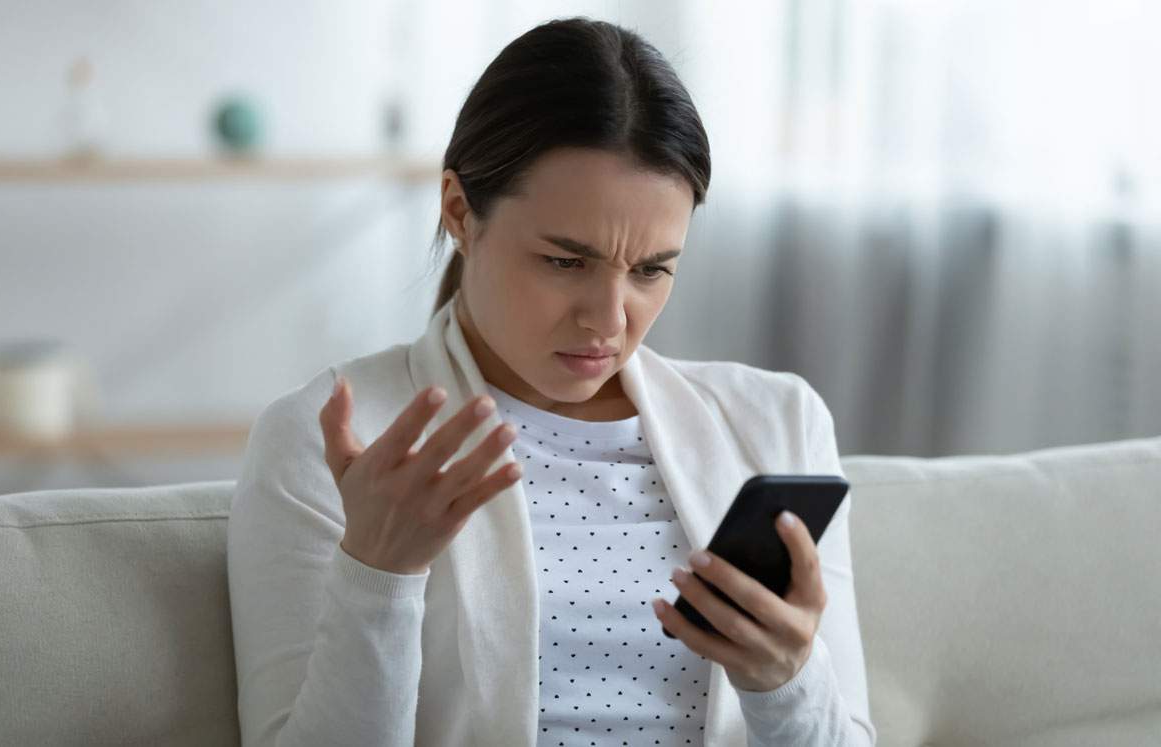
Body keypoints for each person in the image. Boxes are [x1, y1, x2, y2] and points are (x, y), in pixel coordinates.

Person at [228, 16, 877, 747]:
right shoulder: (329, 441)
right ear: (459, 212)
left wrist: (786, 679)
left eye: (652, 269)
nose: (609, 319)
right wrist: (378, 576)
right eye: (566, 262)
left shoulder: (778, 423)